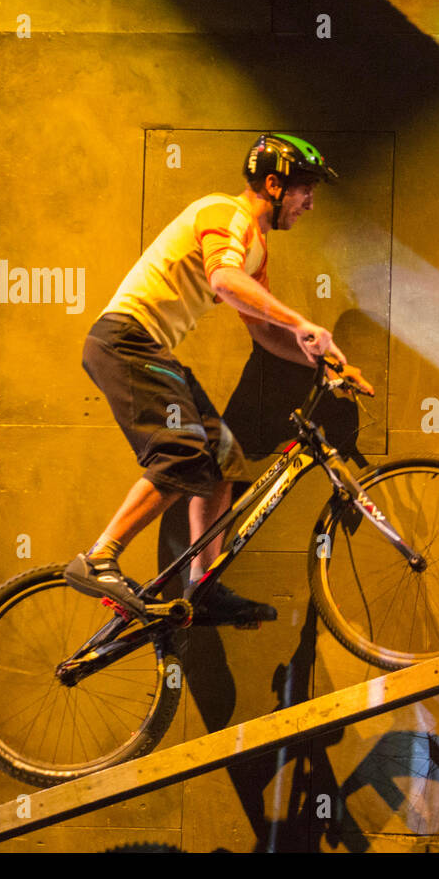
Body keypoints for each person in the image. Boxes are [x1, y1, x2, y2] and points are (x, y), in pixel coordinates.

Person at [65, 133, 375, 625]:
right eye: (306, 190)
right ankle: (99, 557)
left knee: (223, 461)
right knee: (182, 455)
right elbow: (223, 282)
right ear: (274, 184)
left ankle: (202, 587)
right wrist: (302, 323)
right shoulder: (224, 213)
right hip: (124, 342)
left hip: (150, 349)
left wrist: (328, 362)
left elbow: (266, 336)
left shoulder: (256, 250)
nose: (311, 203)